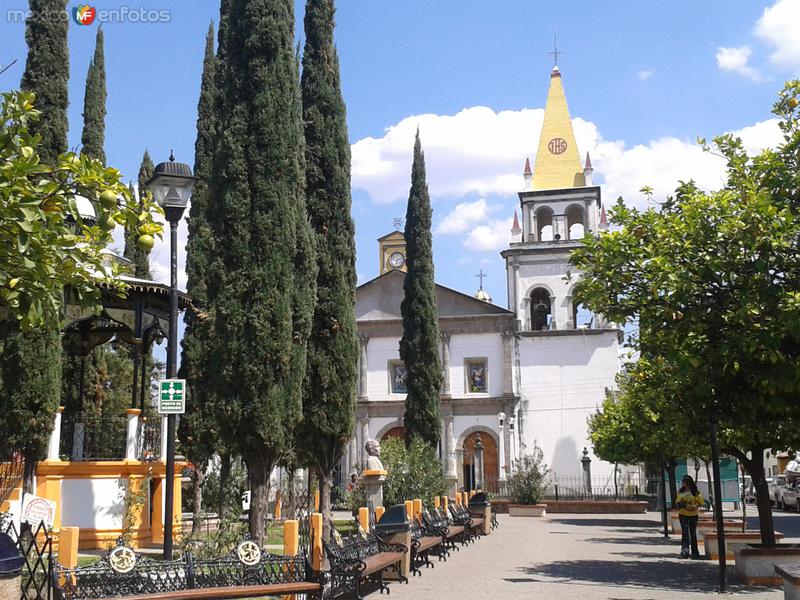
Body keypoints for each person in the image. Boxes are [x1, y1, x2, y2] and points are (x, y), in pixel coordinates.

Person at [676, 475, 704, 559]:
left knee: (693, 533)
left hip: (693, 515)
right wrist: (683, 506)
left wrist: (696, 506)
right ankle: (685, 551)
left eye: (684, 482)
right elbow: (677, 502)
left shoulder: (695, 492)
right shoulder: (681, 491)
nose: (683, 483)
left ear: (688, 483)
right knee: (685, 532)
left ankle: (695, 552)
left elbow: (701, 502)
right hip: (683, 514)